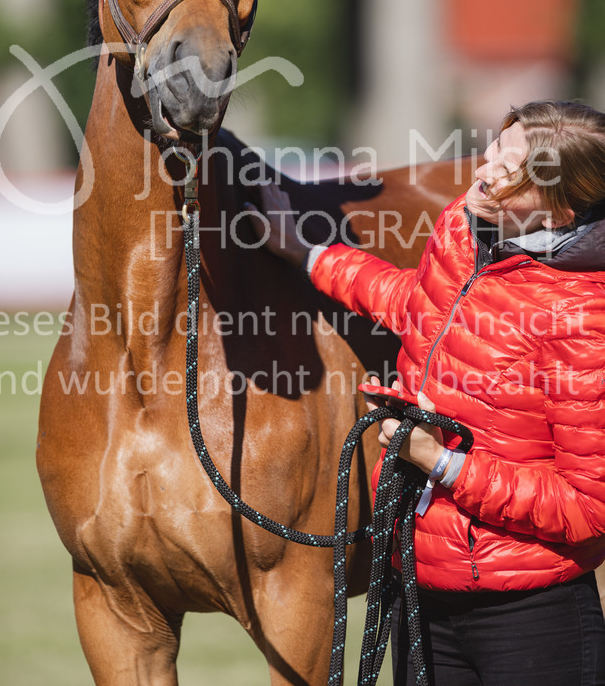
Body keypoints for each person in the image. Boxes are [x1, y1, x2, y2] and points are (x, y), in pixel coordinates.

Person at [250, 100, 605, 685]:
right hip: (420, 589)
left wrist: (440, 463)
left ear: (558, 212)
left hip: (531, 616)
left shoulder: (583, 316)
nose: (485, 171)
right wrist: (307, 253)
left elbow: (588, 510)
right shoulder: (464, 232)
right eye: (495, 149)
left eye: (512, 170)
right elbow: (419, 305)